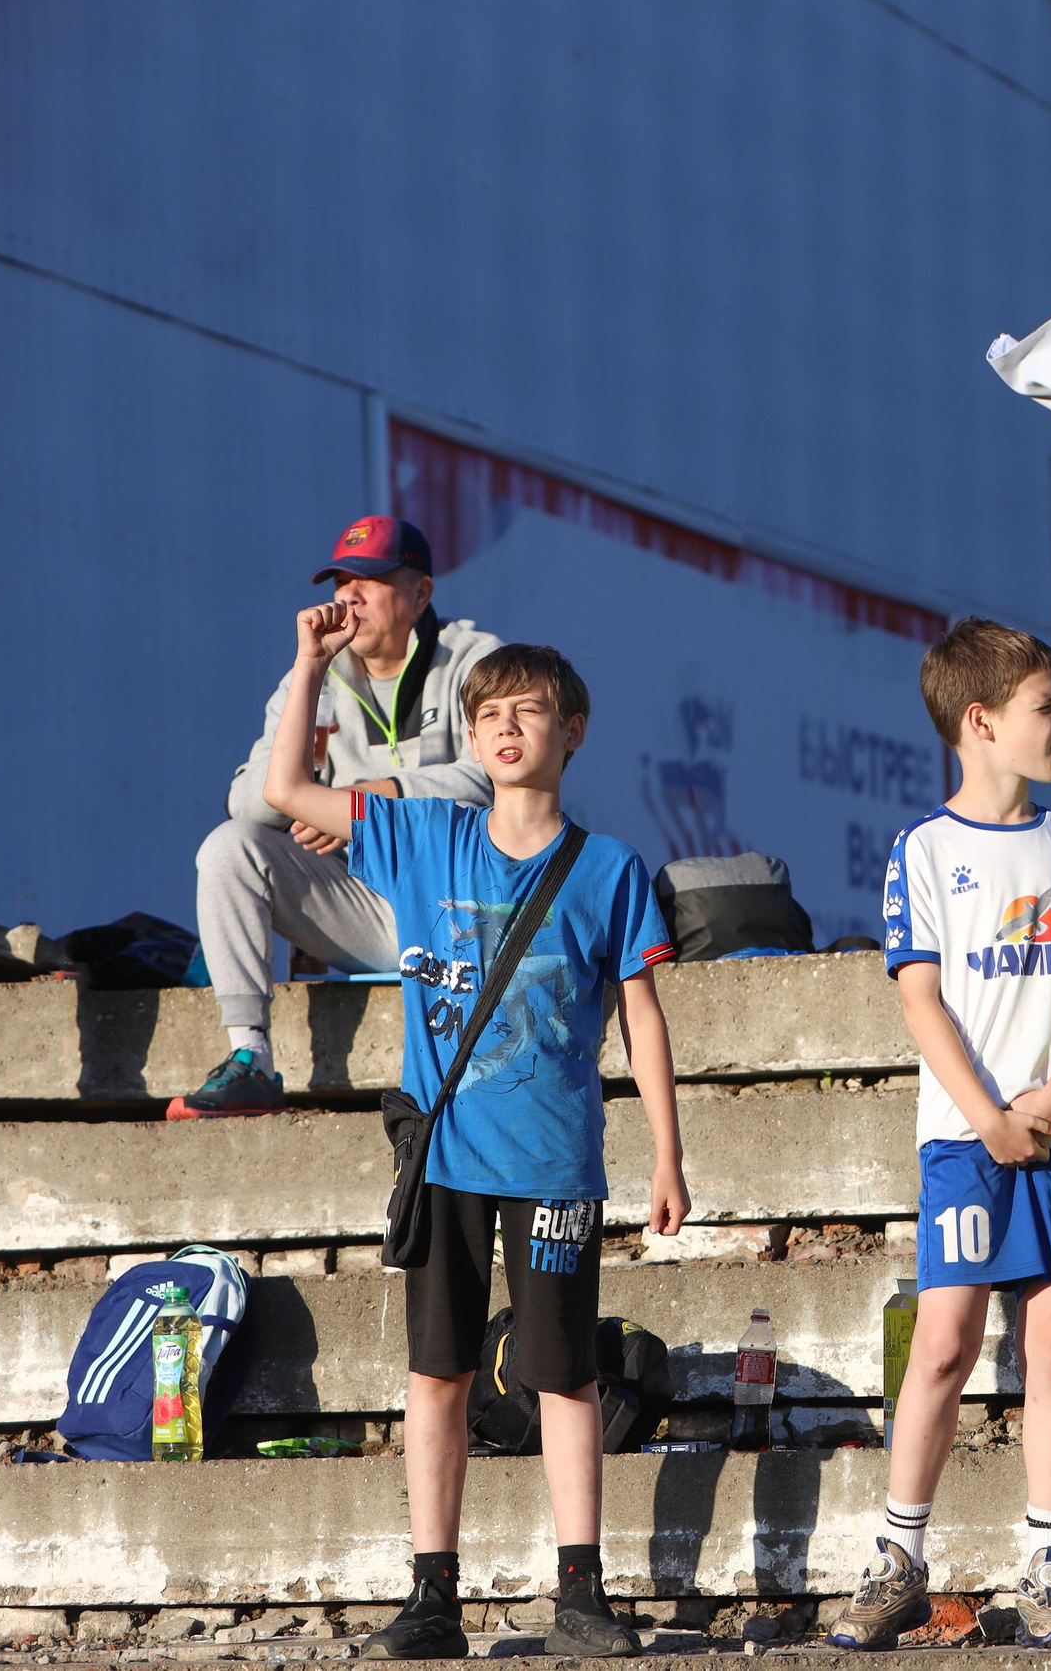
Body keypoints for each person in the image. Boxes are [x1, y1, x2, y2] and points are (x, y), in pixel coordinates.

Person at [261, 615, 688, 1661]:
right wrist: (312, 664)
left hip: (554, 1159)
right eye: (487, 712)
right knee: (438, 1370)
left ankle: (581, 1590)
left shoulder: (608, 868)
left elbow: (642, 1014)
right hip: (444, 1155)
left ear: (572, 730)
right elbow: (285, 792)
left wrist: (668, 1154)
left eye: (528, 710)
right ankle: (431, 1592)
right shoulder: (426, 835)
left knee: (564, 1374)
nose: (505, 727)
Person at [832, 619, 1051, 1652]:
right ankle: (898, 1556)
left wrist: (1049, 1099)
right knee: (945, 1345)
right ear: (981, 720)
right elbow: (922, 1002)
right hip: (965, 1140)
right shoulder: (922, 849)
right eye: (1047, 704)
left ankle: (1049, 1559)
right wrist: (993, 1116)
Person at [175, 516, 502, 1119]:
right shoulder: (312, 676)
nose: (348, 597)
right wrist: (304, 709)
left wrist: (367, 800)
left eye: (370, 580)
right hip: (366, 910)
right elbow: (245, 801)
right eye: (340, 582)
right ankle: (250, 1058)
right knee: (229, 846)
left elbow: (496, 780)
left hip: (462, 913)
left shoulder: (476, 661)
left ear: (421, 594)